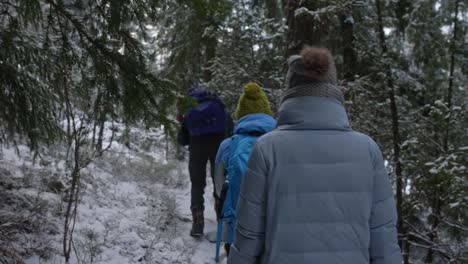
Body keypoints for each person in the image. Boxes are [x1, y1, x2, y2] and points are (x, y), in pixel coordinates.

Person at [227, 46, 402, 263]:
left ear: (290, 91)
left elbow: (248, 236)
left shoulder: (266, 149)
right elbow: (383, 237)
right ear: (333, 90)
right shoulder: (367, 149)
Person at [213, 82, 276, 261]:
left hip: (236, 227)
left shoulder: (228, 145)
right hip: (272, 227)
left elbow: (219, 188)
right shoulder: (280, 143)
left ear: (240, 114)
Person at [177, 86, 230, 238]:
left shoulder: (191, 110)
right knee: (219, 181)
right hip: (218, 144)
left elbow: (182, 139)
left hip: (197, 146)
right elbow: (229, 127)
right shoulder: (218, 105)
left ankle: (198, 223)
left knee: (197, 184)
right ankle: (222, 218)